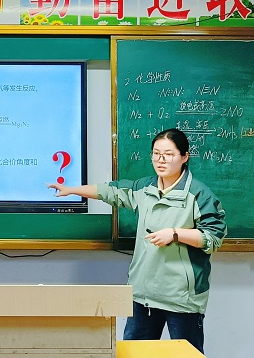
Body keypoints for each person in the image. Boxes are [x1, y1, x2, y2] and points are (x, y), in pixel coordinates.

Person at [48, 128, 226, 354]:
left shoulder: (199, 195)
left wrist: (174, 233)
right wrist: (72, 190)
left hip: (181, 297)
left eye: (169, 154)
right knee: (133, 353)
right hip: (144, 294)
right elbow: (111, 191)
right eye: (156, 154)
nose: (161, 160)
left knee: (187, 354)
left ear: (184, 157)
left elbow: (213, 237)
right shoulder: (145, 188)